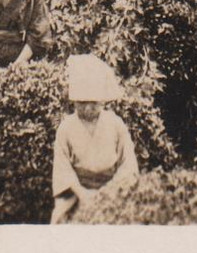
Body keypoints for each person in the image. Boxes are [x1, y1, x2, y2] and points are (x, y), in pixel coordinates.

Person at [51, 55, 138, 224]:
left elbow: (128, 166)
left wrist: (108, 192)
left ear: (102, 102)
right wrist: (83, 195)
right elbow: (63, 170)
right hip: (76, 195)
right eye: (82, 103)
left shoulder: (115, 124)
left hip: (113, 191)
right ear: (74, 101)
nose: (88, 108)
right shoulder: (66, 128)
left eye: (94, 103)